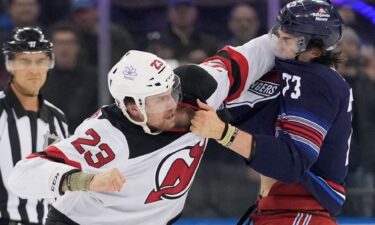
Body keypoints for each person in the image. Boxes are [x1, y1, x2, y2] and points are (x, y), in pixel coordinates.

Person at [7, 31, 276, 224]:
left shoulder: (199, 90)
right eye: (160, 99)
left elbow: (258, 52)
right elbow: (22, 176)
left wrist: (291, 31)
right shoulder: (107, 136)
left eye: (172, 91)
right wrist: (85, 180)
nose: (173, 103)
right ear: (133, 107)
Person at [190, 0, 351, 224]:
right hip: (277, 208)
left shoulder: (317, 81)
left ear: (314, 50)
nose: (276, 43)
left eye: (288, 39)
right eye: (278, 33)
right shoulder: (295, 73)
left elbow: (291, 163)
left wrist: (222, 133)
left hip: (300, 212)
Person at [0, 27, 69, 224]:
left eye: (40, 61)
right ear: (9, 64)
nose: (34, 70)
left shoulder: (58, 119)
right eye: (24, 61)